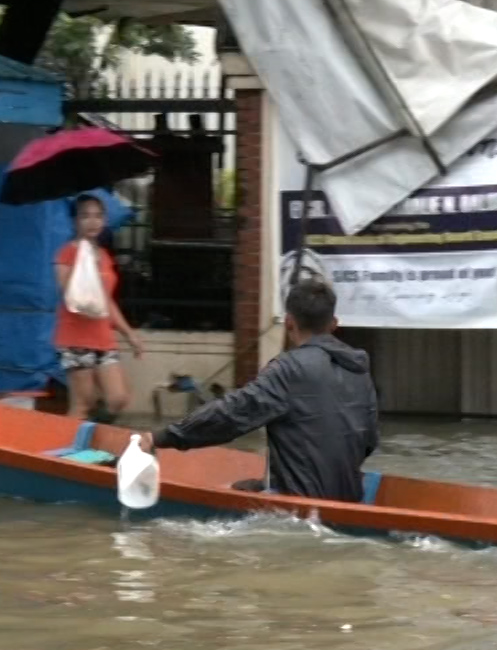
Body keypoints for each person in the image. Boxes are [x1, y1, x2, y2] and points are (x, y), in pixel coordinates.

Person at [142, 280, 380, 504]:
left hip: (297, 512)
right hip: (350, 498)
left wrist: (161, 437)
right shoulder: (360, 371)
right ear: (334, 324)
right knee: (249, 485)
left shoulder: (288, 369)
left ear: (288, 323)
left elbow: (230, 415)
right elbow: (369, 441)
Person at [54, 193, 147, 422]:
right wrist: (86, 267)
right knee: (83, 404)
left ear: (104, 220)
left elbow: (107, 301)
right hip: (75, 336)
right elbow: (70, 295)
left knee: (118, 398)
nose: (92, 221)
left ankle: (90, 437)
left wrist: (129, 333)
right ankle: (66, 451)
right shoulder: (67, 253)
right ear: (76, 222)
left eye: (97, 216)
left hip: (102, 337)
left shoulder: (104, 256)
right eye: (85, 216)